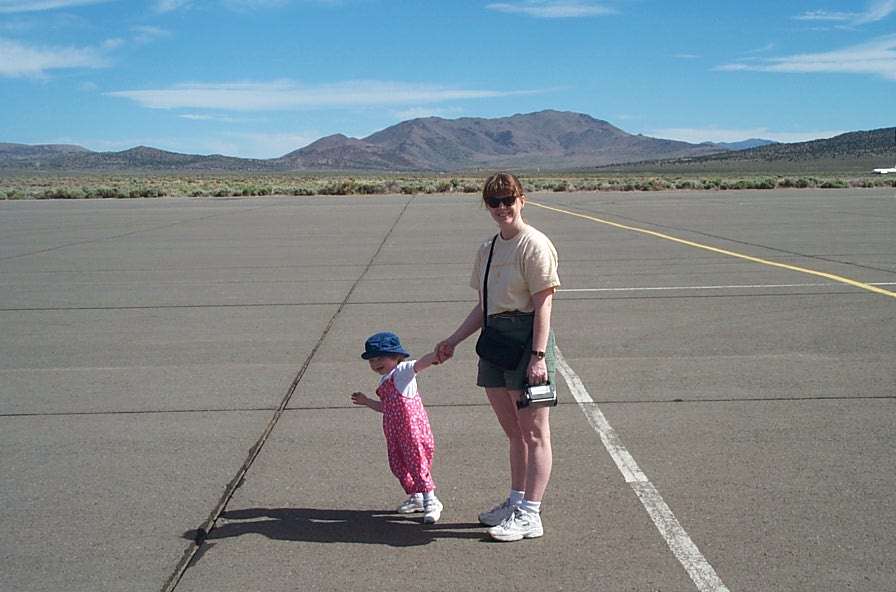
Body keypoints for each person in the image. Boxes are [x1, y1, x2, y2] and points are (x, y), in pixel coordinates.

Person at [435, 172, 560, 542]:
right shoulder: (488, 249)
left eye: (508, 199)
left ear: (522, 199)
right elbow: (484, 306)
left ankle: (531, 515)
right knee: (514, 432)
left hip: (526, 341)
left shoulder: (534, 245)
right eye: (494, 201)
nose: (502, 207)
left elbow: (544, 305)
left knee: (535, 432)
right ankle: (517, 501)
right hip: (495, 341)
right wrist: (454, 340)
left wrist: (538, 357)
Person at [351, 331, 444, 524]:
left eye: (380, 358)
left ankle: (431, 500)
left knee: (416, 462)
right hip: (394, 432)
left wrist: (436, 356)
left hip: (411, 430)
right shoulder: (386, 379)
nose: (376, 364)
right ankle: (417, 496)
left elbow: (419, 364)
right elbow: (385, 407)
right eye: (372, 360)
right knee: (398, 464)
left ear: (396, 356)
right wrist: (367, 401)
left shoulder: (402, 372)